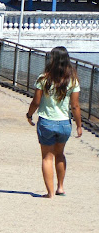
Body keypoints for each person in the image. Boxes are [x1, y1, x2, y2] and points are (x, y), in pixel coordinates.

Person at [26, 47, 82, 198]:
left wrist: (29, 115)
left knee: (47, 157)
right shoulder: (72, 81)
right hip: (64, 123)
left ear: (53, 59)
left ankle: (50, 193)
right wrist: (79, 125)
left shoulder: (43, 79)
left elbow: (36, 102)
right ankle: (61, 188)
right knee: (60, 154)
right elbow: (75, 106)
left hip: (47, 122)